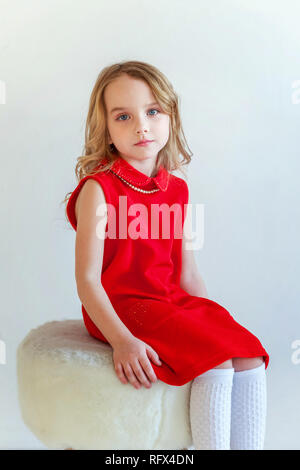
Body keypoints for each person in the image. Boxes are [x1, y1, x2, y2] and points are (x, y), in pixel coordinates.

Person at [63, 60, 270, 450]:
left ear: (171, 116)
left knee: (249, 356)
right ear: (106, 130)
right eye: (123, 116)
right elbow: (87, 281)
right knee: (216, 363)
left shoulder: (176, 189)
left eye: (153, 111)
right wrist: (122, 341)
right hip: (123, 305)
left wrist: (214, 323)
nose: (141, 125)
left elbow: (187, 273)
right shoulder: (99, 189)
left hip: (168, 300)